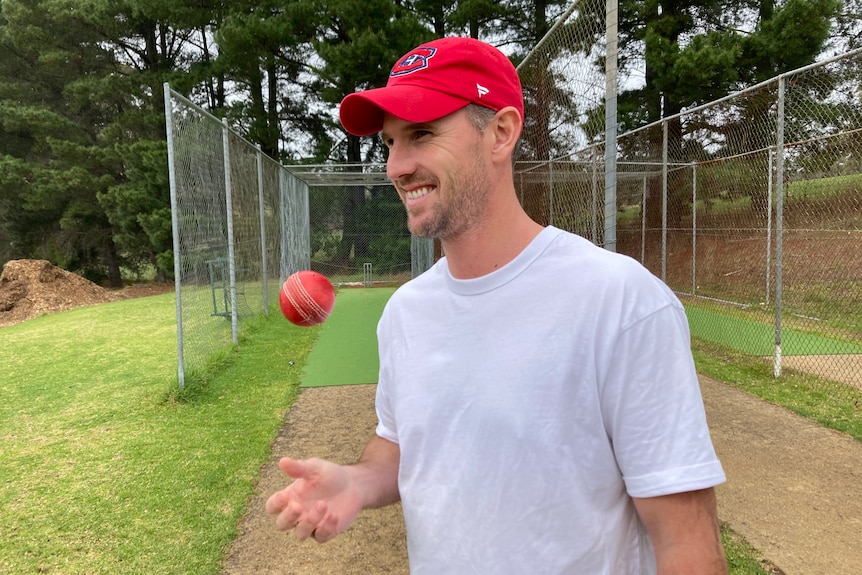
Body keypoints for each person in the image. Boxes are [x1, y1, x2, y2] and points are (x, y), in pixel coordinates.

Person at [266, 36, 729, 574]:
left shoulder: (620, 301)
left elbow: (688, 544)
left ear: (501, 133)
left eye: (421, 134)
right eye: (391, 143)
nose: (397, 166)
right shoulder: (406, 313)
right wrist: (356, 481)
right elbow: (400, 448)